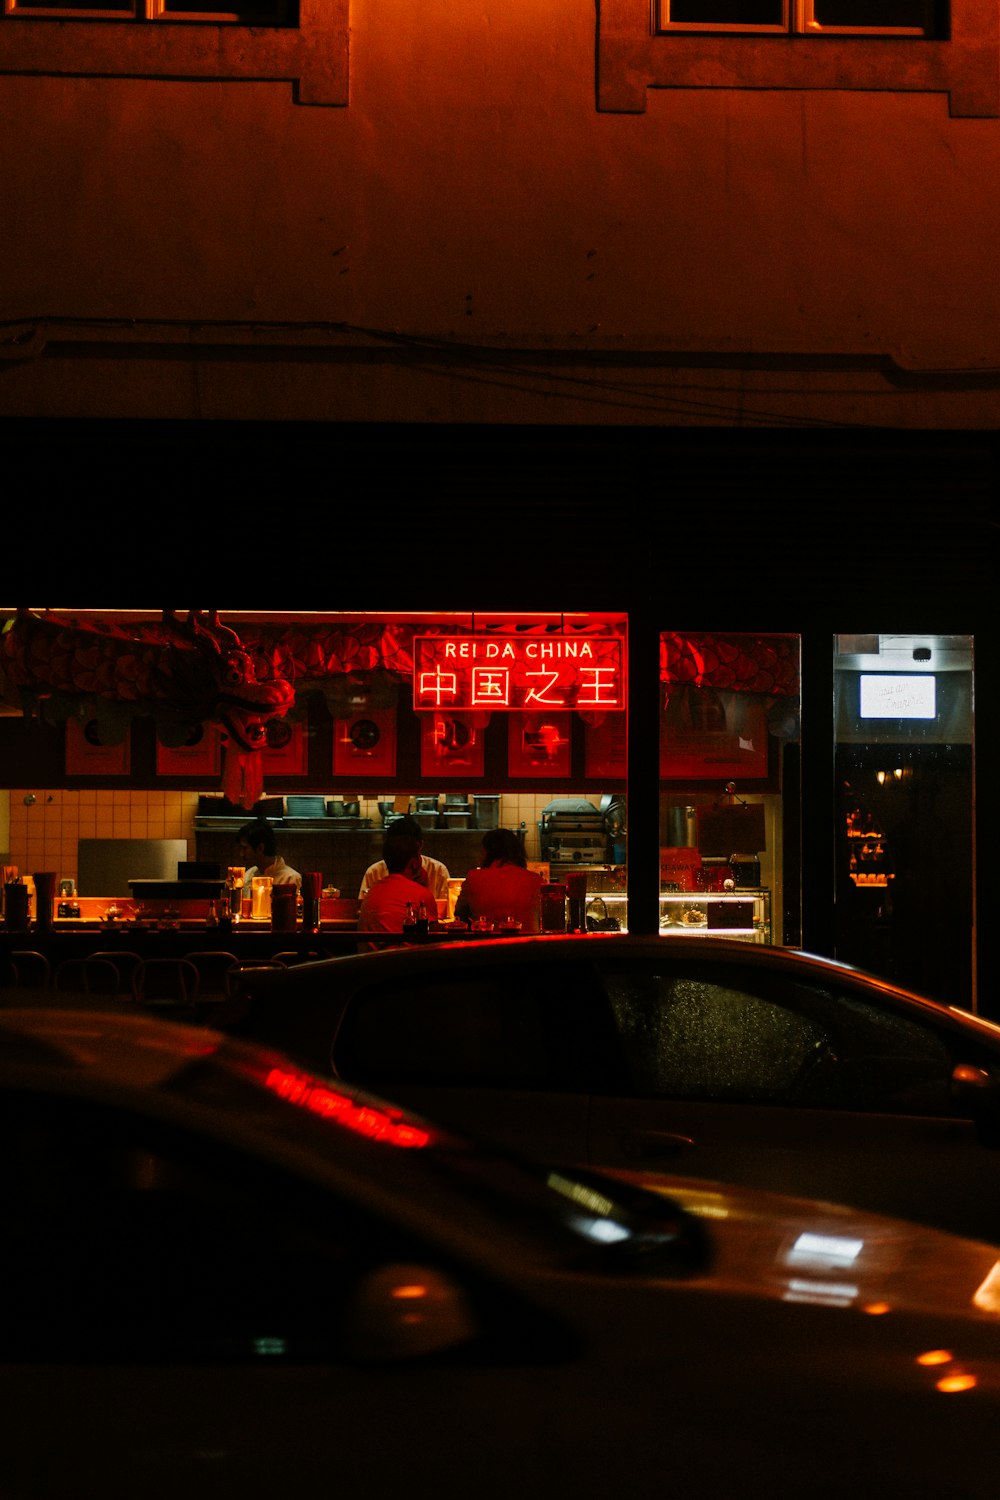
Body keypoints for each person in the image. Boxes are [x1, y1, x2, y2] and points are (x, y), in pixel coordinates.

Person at [357, 833, 437, 949]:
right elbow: (435, 940)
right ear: (414, 863)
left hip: (366, 963)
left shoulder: (373, 890)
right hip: (399, 963)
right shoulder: (421, 895)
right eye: (419, 856)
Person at [454, 827, 542, 932]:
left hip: (485, 945)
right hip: (530, 946)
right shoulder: (536, 880)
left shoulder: (474, 878)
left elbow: (460, 915)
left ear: (486, 852)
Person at [358, 815, 450, 912]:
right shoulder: (374, 872)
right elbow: (362, 908)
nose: (401, 848)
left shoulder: (438, 870)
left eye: (406, 843)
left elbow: (447, 911)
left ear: (420, 845)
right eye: (397, 844)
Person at [236, 820, 303, 895]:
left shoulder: (291, 879)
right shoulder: (248, 875)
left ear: (260, 848)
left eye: (245, 848)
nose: (241, 854)